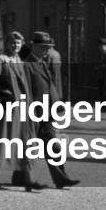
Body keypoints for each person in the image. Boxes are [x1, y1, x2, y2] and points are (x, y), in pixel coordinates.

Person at [24, 31, 80, 190]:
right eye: (43, 47)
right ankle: (23, 177)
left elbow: (49, 87)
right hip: (34, 113)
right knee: (30, 147)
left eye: (48, 47)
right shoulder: (28, 64)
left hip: (46, 113)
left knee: (53, 146)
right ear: (33, 46)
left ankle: (61, 178)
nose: (46, 50)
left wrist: (57, 104)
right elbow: (26, 90)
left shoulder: (42, 63)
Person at [0, 31, 29, 189]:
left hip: (18, 108)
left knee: (17, 140)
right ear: (7, 43)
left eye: (18, 43)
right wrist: (4, 93)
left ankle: (17, 174)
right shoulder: (1, 60)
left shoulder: (20, 61)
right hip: (3, 107)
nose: (15, 45)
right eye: (12, 42)